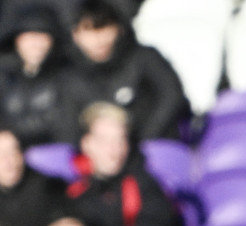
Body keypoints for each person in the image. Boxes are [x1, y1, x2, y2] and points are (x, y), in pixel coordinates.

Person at [65, 102, 182, 226]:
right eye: (104, 140)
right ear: (87, 144)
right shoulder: (75, 192)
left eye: (120, 140)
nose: (114, 149)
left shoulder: (144, 184)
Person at [61, 0, 188, 142]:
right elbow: (67, 126)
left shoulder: (144, 59)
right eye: (88, 30)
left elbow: (172, 96)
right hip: (99, 158)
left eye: (104, 28)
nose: (98, 39)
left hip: (152, 147)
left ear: (119, 29)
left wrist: (144, 139)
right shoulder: (69, 76)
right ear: (75, 35)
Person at [0, 3, 77, 148]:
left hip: (49, 152)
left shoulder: (66, 75)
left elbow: (64, 125)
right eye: (29, 36)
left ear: (53, 41)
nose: (35, 44)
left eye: (42, 36)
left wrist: (14, 136)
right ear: (16, 40)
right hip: (7, 150)